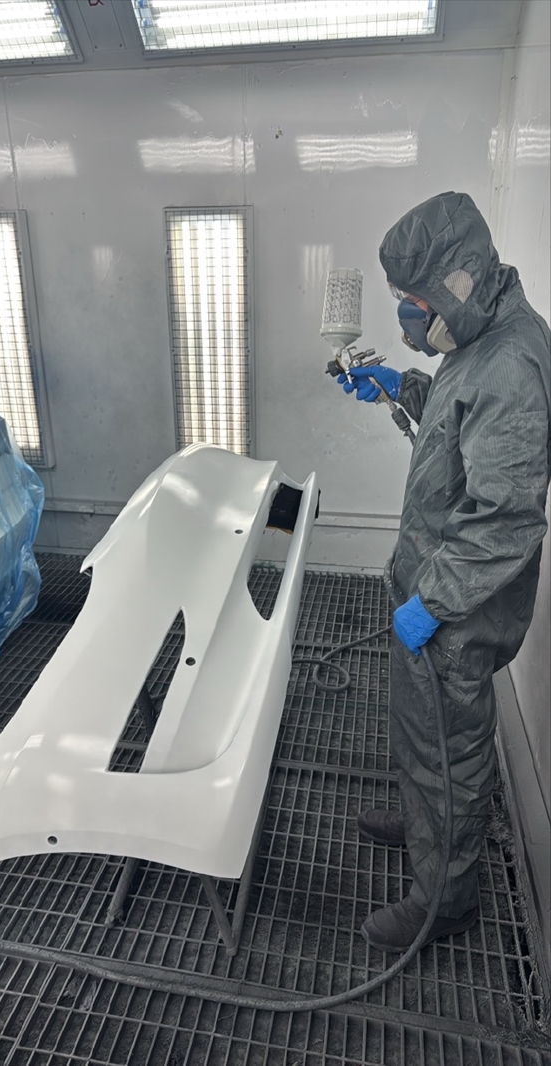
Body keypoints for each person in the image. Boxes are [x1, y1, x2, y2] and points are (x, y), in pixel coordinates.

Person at [337, 190, 550, 953]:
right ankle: (426, 823)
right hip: (436, 585)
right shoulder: (478, 337)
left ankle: (446, 900)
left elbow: (505, 519)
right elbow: (458, 430)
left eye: (414, 301)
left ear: (455, 284)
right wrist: (403, 388)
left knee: (450, 750)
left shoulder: (512, 363)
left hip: (457, 605)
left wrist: (431, 600)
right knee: (424, 732)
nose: (408, 316)